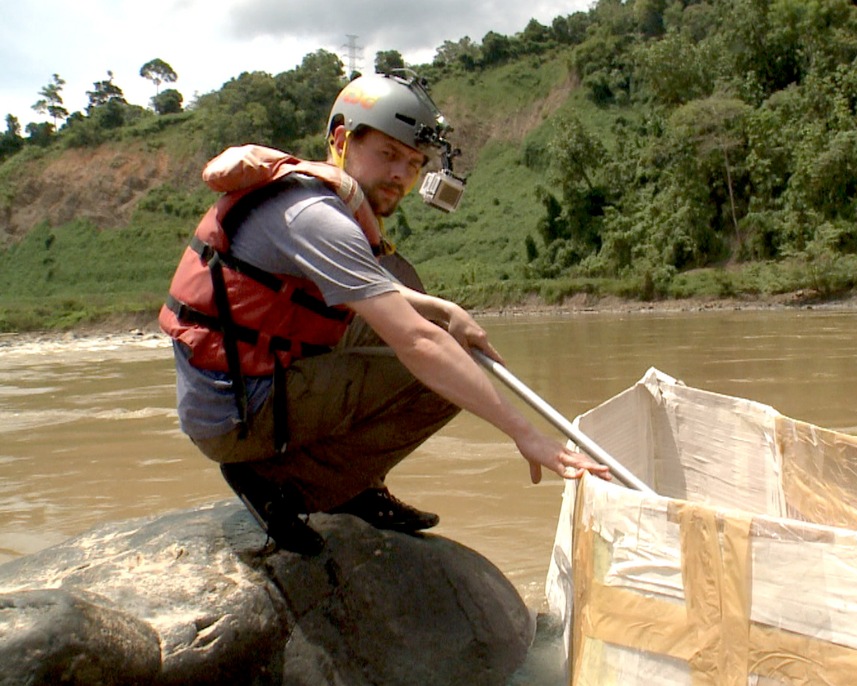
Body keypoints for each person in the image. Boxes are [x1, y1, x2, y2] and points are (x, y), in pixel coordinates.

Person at [159, 70, 610, 555]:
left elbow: (383, 299)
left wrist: (443, 308)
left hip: (241, 385)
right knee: (441, 374)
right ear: (341, 140)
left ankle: (348, 481)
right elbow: (417, 342)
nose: (401, 175)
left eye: (413, 163)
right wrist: (527, 436)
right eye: (388, 155)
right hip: (238, 413)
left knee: (440, 339)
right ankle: (286, 484)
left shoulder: (308, 200)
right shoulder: (317, 218)